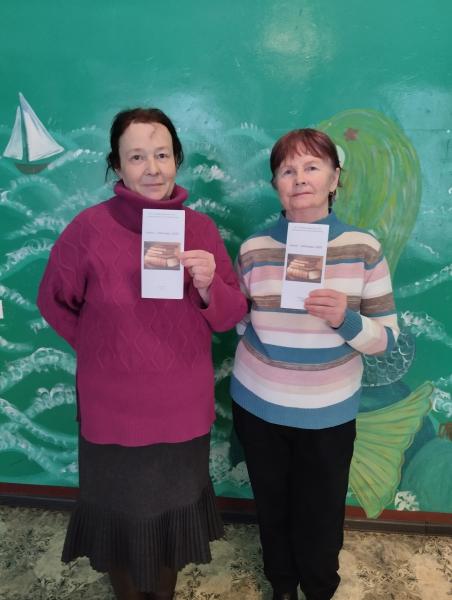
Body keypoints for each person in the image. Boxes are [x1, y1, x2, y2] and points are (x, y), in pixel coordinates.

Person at [37, 107, 248, 600]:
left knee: (171, 524)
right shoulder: (88, 229)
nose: (152, 168)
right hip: (112, 411)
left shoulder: (200, 229)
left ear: (177, 159)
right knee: (119, 524)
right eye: (136, 157)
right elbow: (52, 300)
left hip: (181, 410)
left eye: (162, 155)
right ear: (116, 164)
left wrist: (208, 286)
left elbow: (230, 314)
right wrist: (98, 347)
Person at [230, 128, 399, 600]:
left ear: (334, 178)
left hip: (328, 412)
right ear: (275, 186)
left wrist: (346, 320)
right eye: (287, 170)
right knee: (272, 506)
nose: (300, 178)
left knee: (322, 513)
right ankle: (282, 587)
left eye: (312, 167)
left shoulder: (363, 249)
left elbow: (387, 340)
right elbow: (240, 322)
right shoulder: (253, 249)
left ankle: (320, 589)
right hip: (259, 406)